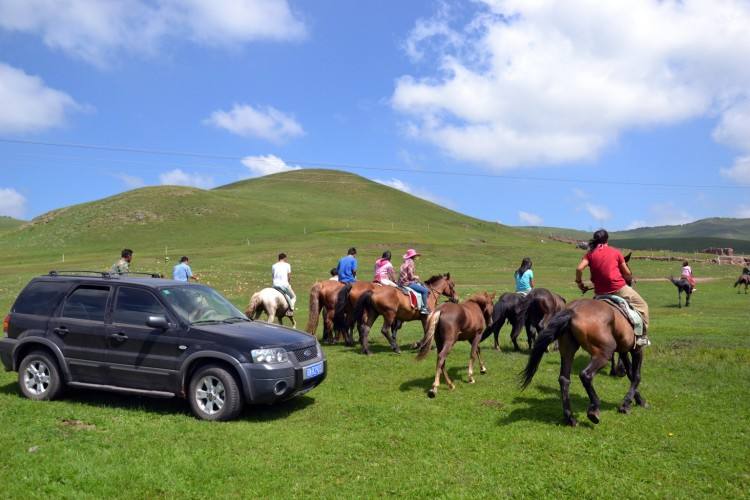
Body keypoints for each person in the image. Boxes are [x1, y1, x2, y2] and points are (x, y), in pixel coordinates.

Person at [576, 229, 650, 347]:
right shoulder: (615, 252)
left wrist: (580, 283)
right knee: (643, 306)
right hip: (618, 289)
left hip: (599, 293)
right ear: (607, 240)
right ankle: (642, 337)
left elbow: (579, 268)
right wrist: (627, 277)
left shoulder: (589, 255)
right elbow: (626, 273)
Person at [398, 248, 430, 315]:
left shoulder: (405, 262)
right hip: (407, 283)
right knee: (425, 291)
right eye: (415, 255)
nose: (416, 257)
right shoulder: (411, 263)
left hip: (400, 282)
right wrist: (416, 277)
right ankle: (424, 308)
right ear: (413, 256)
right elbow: (411, 276)